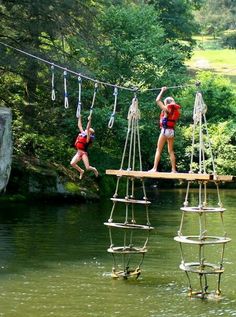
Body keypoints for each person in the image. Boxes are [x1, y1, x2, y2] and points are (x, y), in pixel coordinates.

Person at [149, 86, 181, 173]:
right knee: (170, 150)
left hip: (165, 130)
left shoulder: (166, 109)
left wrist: (162, 91)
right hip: (172, 131)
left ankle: (154, 169)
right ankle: (174, 170)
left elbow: (157, 100)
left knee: (159, 149)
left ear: (166, 103)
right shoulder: (175, 110)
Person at [70, 115, 98, 179]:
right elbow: (79, 125)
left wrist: (89, 120)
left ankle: (94, 169)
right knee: (72, 163)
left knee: (87, 168)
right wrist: (79, 117)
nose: (85, 130)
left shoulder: (88, 138)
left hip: (83, 153)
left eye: (87, 131)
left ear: (89, 133)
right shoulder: (82, 134)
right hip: (78, 152)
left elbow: (88, 128)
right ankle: (81, 171)